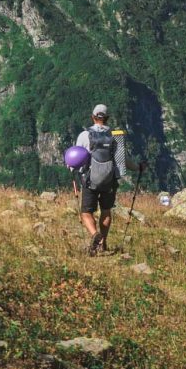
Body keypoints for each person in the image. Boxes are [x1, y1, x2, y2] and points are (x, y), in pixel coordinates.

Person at [73, 103, 126, 255]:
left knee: (86, 212)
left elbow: (77, 157)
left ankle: (95, 235)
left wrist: (72, 170)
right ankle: (103, 243)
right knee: (106, 211)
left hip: (90, 181)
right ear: (107, 118)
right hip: (109, 181)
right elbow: (123, 160)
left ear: (93, 117)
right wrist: (138, 167)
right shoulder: (116, 136)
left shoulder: (84, 135)